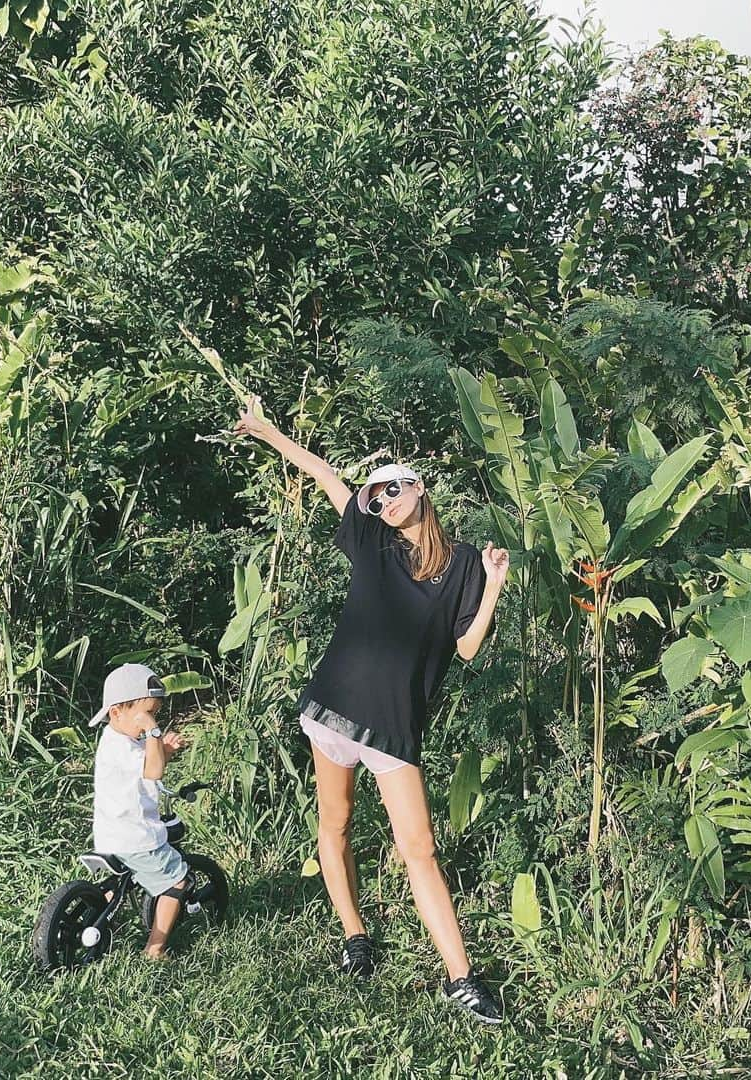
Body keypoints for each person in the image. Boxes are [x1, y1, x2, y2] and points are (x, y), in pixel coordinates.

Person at [234, 396, 509, 1024]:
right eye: (376, 496)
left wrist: (493, 588)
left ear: (420, 488)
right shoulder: (369, 543)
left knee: (420, 850)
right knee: (336, 825)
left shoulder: (464, 562)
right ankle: (355, 938)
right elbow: (327, 475)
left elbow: (465, 649)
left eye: (392, 489)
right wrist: (268, 431)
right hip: (331, 711)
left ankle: (461, 980)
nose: (383, 501)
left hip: (392, 725)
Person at [90, 663, 189, 960]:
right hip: (136, 836)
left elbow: (147, 766)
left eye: (155, 714)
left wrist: (164, 748)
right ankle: (155, 948)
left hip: (110, 834)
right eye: (146, 715)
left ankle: (106, 920)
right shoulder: (126, 747)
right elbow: (154, 770)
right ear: (117, 712)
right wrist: (154, 732)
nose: (151, 721)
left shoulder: (114, 739)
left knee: (121, 881)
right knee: (177, 879)